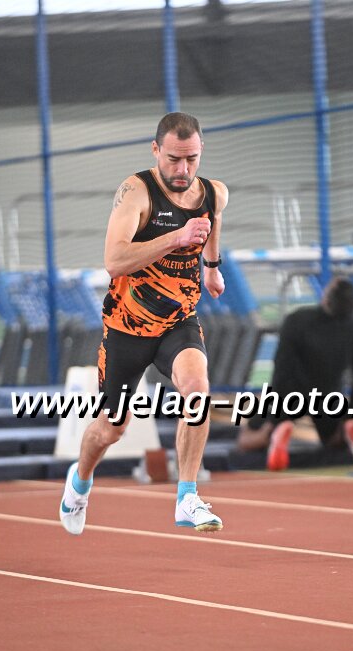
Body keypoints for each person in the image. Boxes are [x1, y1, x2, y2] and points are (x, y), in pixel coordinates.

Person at [60, 112, 227, 534]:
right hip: (127, 328)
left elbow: (212, 221)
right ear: (156, 150)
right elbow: (114, 260)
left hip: (178, 321)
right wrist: (176, 237)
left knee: (198, 391)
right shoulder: (137, 193)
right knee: (112, 429)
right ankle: (79, 482)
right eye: (173, 159)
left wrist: (211, 267)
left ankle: (187, 496)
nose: (183, 169)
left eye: (191, 159)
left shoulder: (213, 193)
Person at [237, 276, 353, 469]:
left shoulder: (297, 320)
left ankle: (272, 435)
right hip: (329, 396)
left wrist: (275, 416)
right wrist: (350, 415)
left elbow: (282, 368)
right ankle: (346, 433)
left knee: (245, 441)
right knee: (333, 441)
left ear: (326, 299)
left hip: (290, 394)